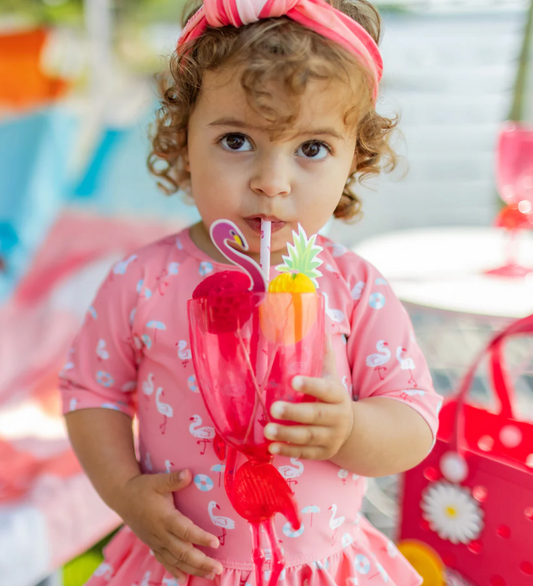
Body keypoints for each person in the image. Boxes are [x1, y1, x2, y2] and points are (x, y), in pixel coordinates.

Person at [59, 0, 443, 584]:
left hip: (320, 566)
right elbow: (91, 393)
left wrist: (351, 431)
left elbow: (413, 419)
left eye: (311, 148)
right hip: (182, 565)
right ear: (183, 139)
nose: (272, 181)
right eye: (237, 141)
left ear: (353, 159)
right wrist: (124, 493)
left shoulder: (353, 288)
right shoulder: (142, 280)